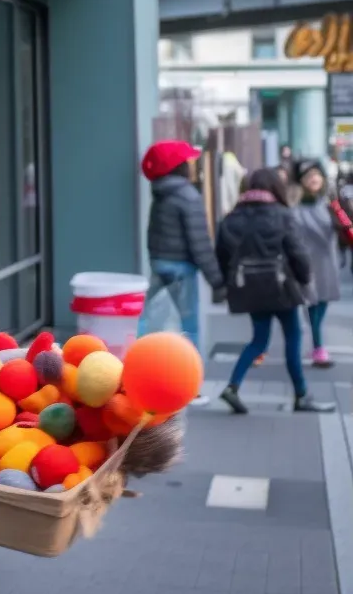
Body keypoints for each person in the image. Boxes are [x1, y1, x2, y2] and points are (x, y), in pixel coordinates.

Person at [215, 168, 334, 414]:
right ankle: (301, 395)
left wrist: (229, 283)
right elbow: (297, 251)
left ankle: (232, 387)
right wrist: (304, 278)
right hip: (282, 288)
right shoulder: (282, 214)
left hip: (250, 288)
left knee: (258, 340)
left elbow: (222, 254)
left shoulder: (232, 217)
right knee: (293, 337)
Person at [141, 140, 226, 354]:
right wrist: (216, 280)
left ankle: (137, 358)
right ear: (179, 167)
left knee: (146, 317)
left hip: (159, 263)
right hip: (182, 269)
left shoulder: (159, 193)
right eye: (187, 161)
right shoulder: (188, 195)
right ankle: (191, 373)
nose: (191, 164)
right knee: (189, 326)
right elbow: (200, 243)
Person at [292, 159, 342, 367]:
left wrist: (338, 209)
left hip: (328, 260)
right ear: (301, 181)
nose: (314, 179)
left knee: (323, 302)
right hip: (307, 262)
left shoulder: (330, 204)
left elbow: (345, 226)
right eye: (309, 176)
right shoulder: (295, 207)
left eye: (317, 175)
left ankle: (316, 342)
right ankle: (318, 346)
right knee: (311, 303)